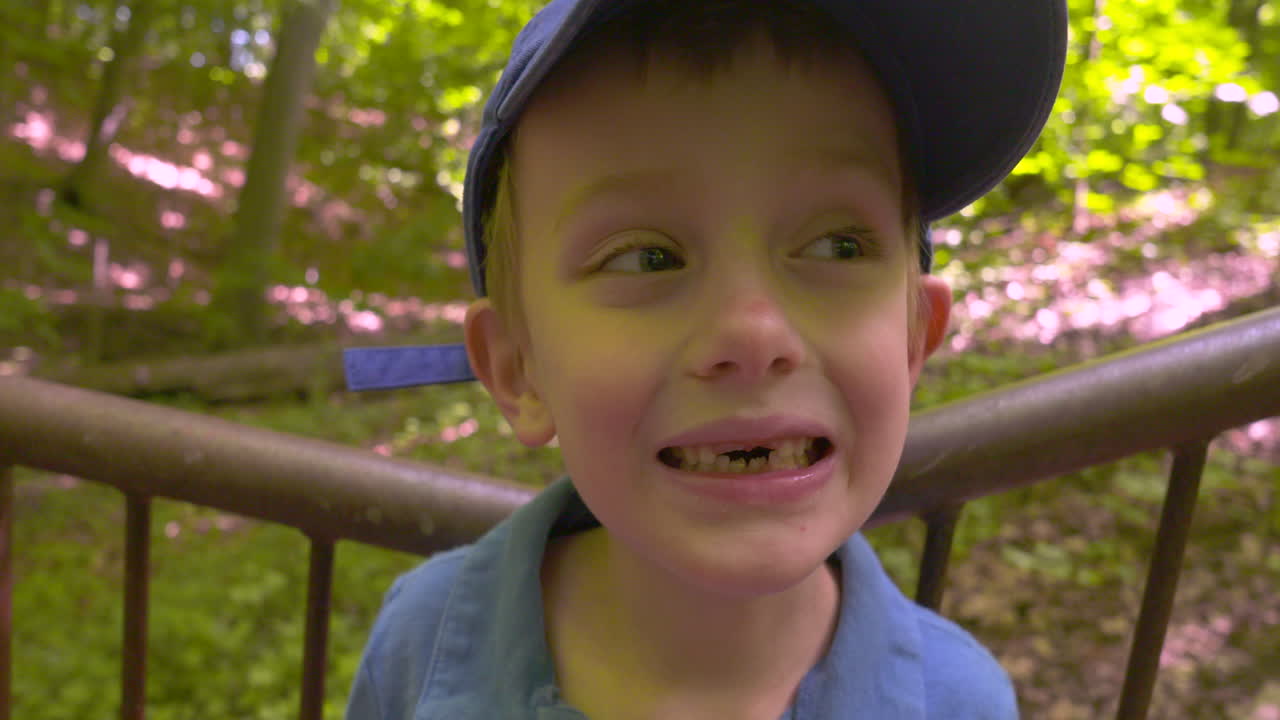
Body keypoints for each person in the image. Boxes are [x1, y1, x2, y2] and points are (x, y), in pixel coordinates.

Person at [343, 1, 1066, 717]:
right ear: (517, 369)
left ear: (914, 337)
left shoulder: (961, 704)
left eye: (836, 245)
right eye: (646, 258)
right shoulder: (422, 646)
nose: (754, 334)